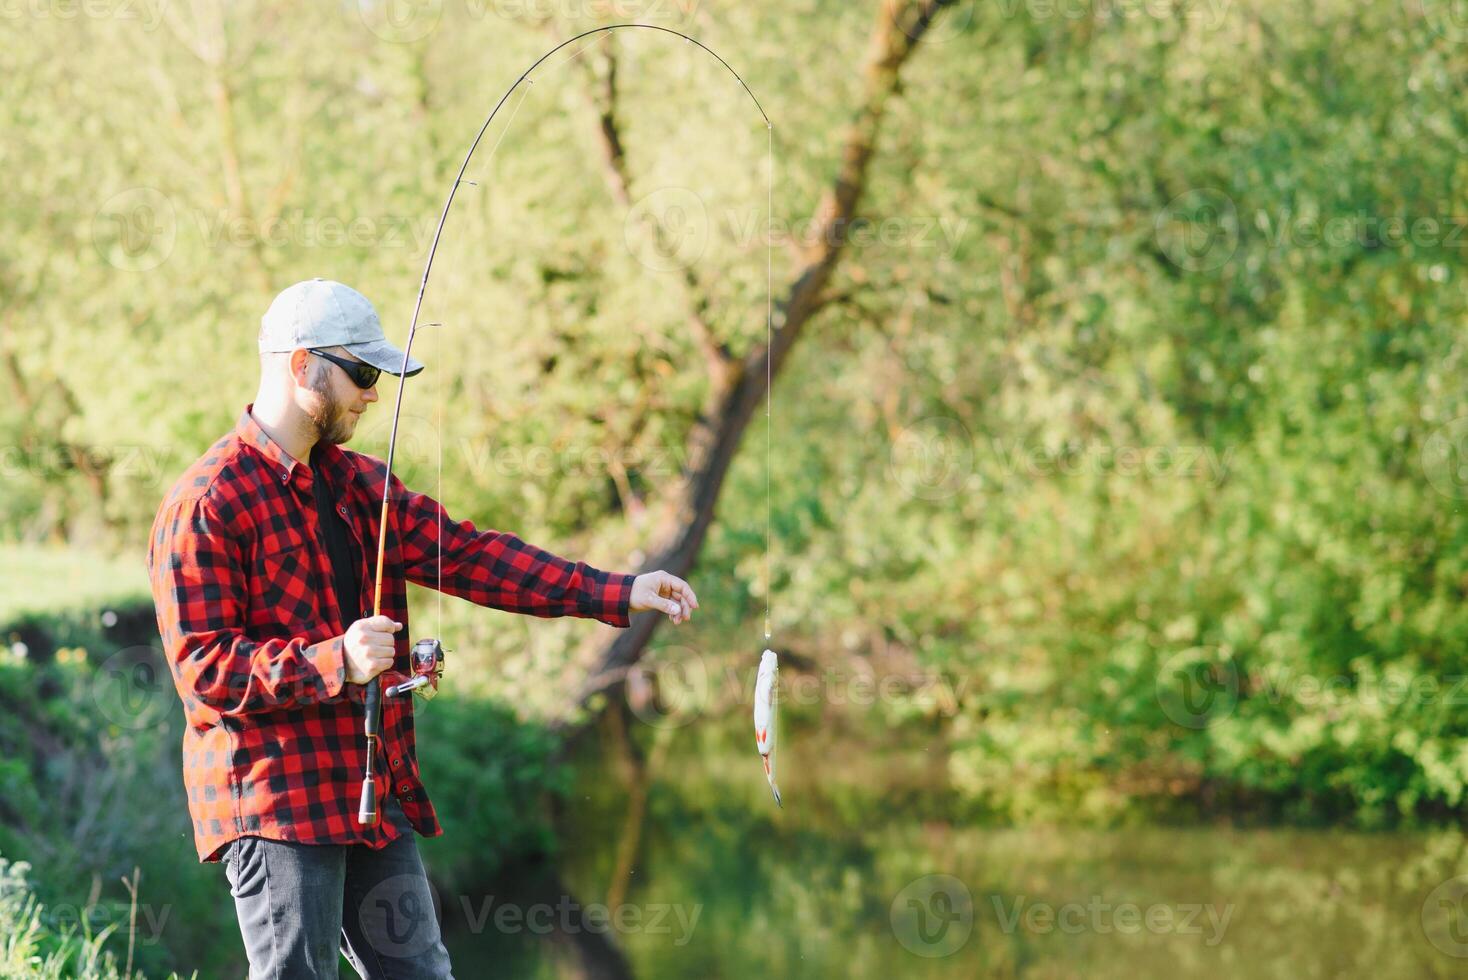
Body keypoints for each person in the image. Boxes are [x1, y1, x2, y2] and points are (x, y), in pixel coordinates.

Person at [146, 278, 698, 979]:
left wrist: (617, 591)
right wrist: (335, 660)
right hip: (277, 802)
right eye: (364, 374)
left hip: (373, 789)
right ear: (301, 365)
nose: (374, 395)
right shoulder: (207, 502)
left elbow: (474, 557)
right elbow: (205, 670)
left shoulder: (361, 486)